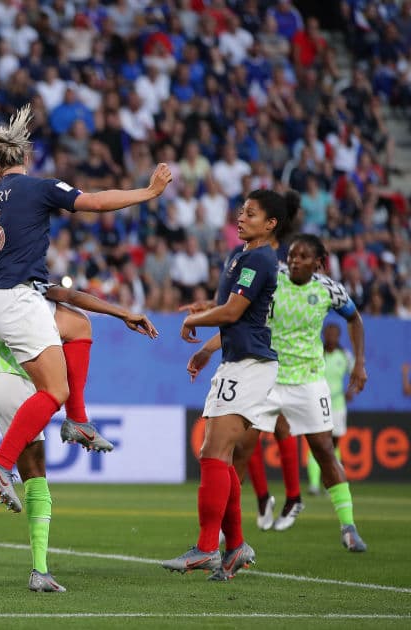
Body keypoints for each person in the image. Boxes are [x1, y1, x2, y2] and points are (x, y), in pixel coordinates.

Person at [0, 104, 172, 511]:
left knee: (77, 326)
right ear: (25, 159)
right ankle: (3, 465)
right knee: (53, 390)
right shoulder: (39, 187)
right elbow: (93, 201)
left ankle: (78, 420)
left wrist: (118, 311)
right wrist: (148, 193)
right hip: (14, 298)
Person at [0, 259, 158, 593]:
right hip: (13, 383)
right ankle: (39, 570)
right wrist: (122, 312)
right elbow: (73, 298)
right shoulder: (22, 291)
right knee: (35, 476)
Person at [162, 189, 297, 580]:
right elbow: (235, 317)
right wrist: (206, 348)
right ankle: (235, 547)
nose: (240, 217)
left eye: (251, 214)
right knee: (219, 456)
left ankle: (207, 548)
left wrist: (192, 321)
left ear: (270, 224)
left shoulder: (258, 258)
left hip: (250, 366)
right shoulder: (242, 256)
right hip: (236, 362)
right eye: (241, 211)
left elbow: (235, 311)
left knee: (213, 452)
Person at [231, 235, 368, 550]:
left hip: (308, 381)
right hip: (268, 376)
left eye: (303, 256)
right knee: (241, 449)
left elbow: (355, 319)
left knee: (323, 450)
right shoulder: (273, 278)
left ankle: (348, 527)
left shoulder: (328, 289)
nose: (294, 260)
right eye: (292, 255)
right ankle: (227, 529)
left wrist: (359, 364)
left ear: (318, 263)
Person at [307, 323, 355, 495]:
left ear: (338, 336)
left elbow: (356, 374)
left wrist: (351, 390)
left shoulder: (345, 356)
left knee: (332, 446)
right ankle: (313, 484)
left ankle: (331, 483)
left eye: (334, 334)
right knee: (318, 443)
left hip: (337, 405)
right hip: (317, 404)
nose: (330, 337)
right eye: (328, 333)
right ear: (323, 335)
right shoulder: (316, 353)